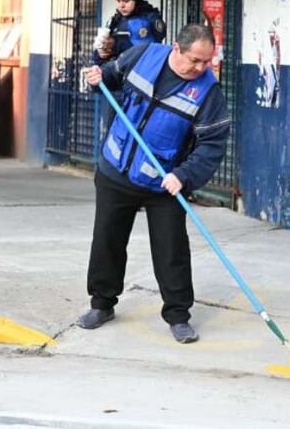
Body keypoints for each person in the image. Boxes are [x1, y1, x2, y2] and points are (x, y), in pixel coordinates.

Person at [77, 24, 229, 344]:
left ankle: (178, 315)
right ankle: (101, 304)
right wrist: (98, 77)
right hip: (115, 168)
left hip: (165, 181)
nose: (200, 68)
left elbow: (212, 145)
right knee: (107, 240)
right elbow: (111, 75)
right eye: (195, 60)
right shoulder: (144, 54)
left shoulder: (208, 91)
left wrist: (184, 175)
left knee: (171, 249)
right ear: (176, 48)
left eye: (207, 62)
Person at [93, 0, 165, 65]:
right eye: (118, 1)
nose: (121, 5)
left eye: (126, 1)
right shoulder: (114, 21)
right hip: (119, 72)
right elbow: (100, 60)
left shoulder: (150, 18)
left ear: (136, 0)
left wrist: (115, 45)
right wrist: (101, 53)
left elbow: (145, 48)